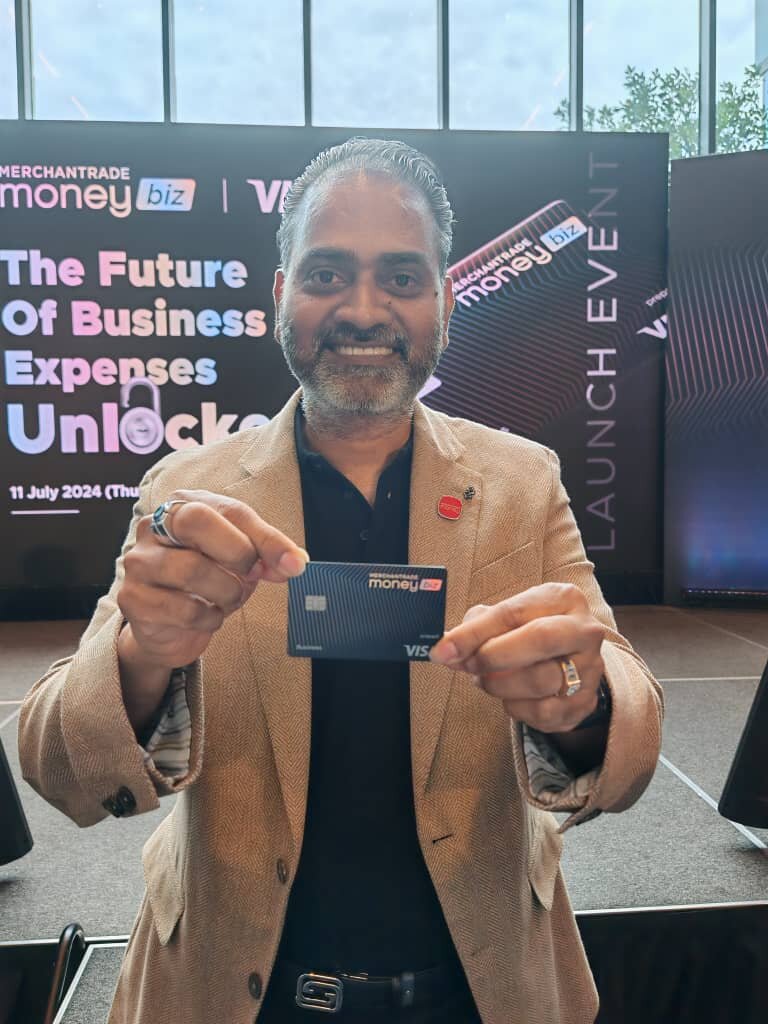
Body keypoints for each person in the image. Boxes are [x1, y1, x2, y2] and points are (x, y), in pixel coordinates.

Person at [19, 138, 663, 1024]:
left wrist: (584, 702)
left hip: (482, 987)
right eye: (327, 274)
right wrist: (141, 657)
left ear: (443, 299)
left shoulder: (522, 481)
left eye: (401, 276)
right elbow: (57, 767)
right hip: (232, 990)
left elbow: (630, 729)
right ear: (280, 292)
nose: (364, 310)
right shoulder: (187, 494)